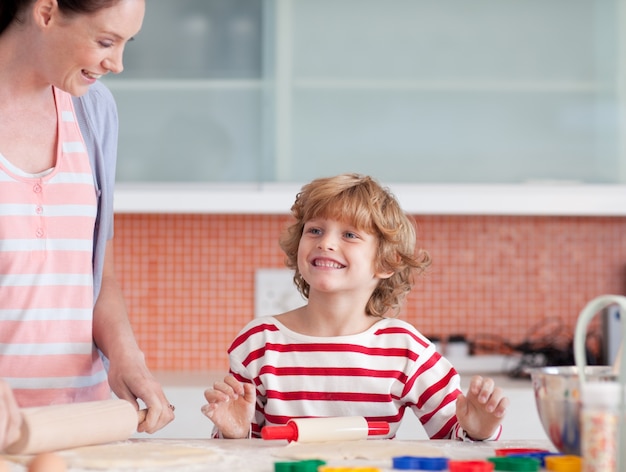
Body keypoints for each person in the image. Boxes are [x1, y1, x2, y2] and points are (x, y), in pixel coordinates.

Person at [202, 173, 508, 440]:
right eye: (315, 230)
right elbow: (241, 449)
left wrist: (479, 427)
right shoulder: (259, 342)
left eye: (349, 234)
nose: (326, 243)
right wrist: (234, 433)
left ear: (386, 263)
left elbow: (455, 434)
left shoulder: (404, 349)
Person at [0, 0, 174, 449]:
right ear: (46, 12)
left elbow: (98, 276)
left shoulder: (93, 111)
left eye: (123, 45)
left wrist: (126, 357)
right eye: (105, 41)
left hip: (80, 425)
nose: (116, 64)